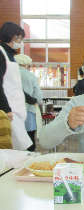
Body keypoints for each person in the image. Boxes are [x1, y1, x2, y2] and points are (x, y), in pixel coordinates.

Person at [0, 22, 32, 150]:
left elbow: (15, 85)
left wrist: (30, 99)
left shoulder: (11, 56)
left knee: (18, 147)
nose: (21, 42)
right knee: (20, 146)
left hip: (17, 109)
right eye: (19, 38)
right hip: (8, 110)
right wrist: (6, 108)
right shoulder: (1, 53)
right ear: (12, 36)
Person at [15, 54, 42, 151]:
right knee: (30, 137)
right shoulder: (31, 76)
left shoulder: (9, 75)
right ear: (26, 64)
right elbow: (39, 97)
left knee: (15, 137)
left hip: (13, 112)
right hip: (29, 110)